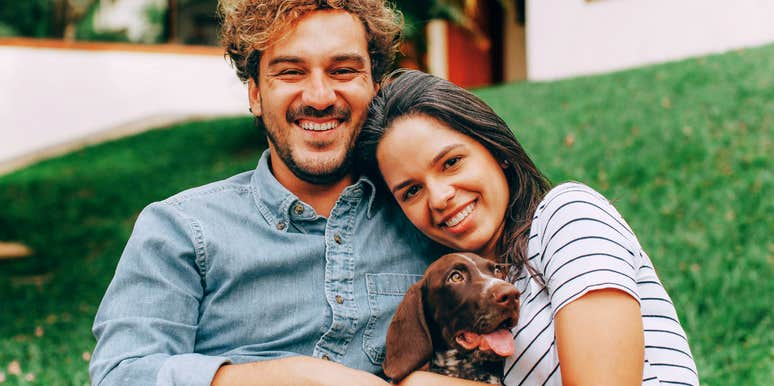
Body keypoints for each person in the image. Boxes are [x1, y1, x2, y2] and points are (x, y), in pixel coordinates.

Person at [89, 2, 446, 386]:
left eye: (343, 71)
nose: (320, 97)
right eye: (291, 72)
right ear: (256, 94)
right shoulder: (180, 229)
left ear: (375, 89)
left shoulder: (426, 217)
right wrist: (296, 377)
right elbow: (121, 374)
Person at [356, 70, 700, 386]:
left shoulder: (566, 215)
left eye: (451, 162)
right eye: (412, 191)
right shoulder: (473, 303)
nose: (440, 197)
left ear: (497, 152)